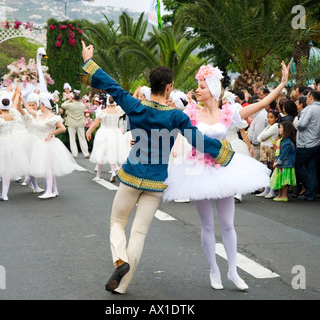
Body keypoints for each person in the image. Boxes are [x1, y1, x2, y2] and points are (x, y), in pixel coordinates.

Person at [78, 40, 238, 295]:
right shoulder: (177, 116)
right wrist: (224, 154)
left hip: (131, 176)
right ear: (170, 87)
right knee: (139, 233)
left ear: (150, 85)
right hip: (156, 183)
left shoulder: (135, 105)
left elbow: (112, 86)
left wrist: (89, 61)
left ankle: (120, 261)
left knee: (117, 223)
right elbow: (198, 141)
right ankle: (122, 286)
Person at [164, 62, 290, 291]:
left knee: (228, 224)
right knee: (207, 226)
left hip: (223, 169)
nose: (197, 90)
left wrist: (282, 84)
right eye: (197, 86)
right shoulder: (190, 113)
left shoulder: (228, 113)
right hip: (197, 171)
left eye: (201, 86)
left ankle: (233, 271)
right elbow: (167, 122)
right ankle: (214, 269)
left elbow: (261, 103)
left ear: (212, 88)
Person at [21, 92, 78, 199]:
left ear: (45, 105)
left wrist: (51, 133)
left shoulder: (53, 117)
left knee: (48, 168)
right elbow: (29, 110)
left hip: (49, 144)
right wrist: (21, 99)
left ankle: (49, 191)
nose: (40, 106)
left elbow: (62, 128)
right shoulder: (40, 115)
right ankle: (54, 190)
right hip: (41, 143)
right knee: (49, 168)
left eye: (41, 104)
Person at [294, 90, 320, 201]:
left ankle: (309, 188)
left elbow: (302, 124)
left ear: (311, 98)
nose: (306, 99)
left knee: (297, 166)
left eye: (307, 97)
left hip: (305, 144)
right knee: (311, 168)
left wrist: (296, 124)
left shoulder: (309, 109)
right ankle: (311, 193)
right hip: (317, 143)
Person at [86, 95, 128, 182]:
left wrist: (89, 131)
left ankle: (98, 176)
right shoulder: (118, 110)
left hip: (104, 133)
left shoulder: (103, 112)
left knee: (101, 153)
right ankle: (113, 172)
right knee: (112, 152)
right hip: (116, 133)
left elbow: (96, 123)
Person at [256, 110, 280, 199]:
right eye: (268, 117)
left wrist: (262, 138)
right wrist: (262, 138)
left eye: (271, 117)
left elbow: (262, 137)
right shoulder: (269, 126)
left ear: (276, 118)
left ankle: (271, 190)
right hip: (265, 150)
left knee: (270, 171)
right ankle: (266, 189)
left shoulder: (275, 127)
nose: (269, 119)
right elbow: (259, 138)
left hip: (269, 150)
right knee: (266, 171)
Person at [270, 121, 297, 202]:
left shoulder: (288, 142)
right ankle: (280, 194)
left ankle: (284, 195)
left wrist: (278, 161)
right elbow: (280, 152)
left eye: (281, 127)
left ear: (286, 130)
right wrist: (276, 159)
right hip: (282, 164)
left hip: (286, 164)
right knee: (280, 180)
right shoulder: (283, 140)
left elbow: (284, 154)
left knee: (284, 181)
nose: (279, 129)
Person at [60, 90, 90, 158]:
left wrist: (69, 100)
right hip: (80, 123)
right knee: (82, 138)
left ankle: (74, 154)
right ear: (79, 98)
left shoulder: (70, 105)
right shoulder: (83, 105)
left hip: (72, 123)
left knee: (72, 139)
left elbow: (62, 105)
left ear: (73, 98)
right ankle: (86, 153)